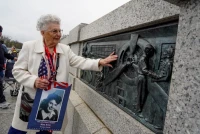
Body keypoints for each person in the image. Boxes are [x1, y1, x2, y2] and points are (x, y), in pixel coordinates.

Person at [8, 14, 118, 134]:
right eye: (54, 31)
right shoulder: (29, 46)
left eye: (60, 30)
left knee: (45, 130)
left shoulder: (64, 49)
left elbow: (80, 61)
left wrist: (100, 62)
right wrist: (34, 81)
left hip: (52, 99)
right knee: (18, 130)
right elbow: (17, 71)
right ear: (43, 32)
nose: (59, 34)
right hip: (31, 98)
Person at [0, 25, 16, 109]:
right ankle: (2, 102)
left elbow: (5, 54)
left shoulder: (1, 45)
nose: (1, 33)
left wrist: (13, 57)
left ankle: (2, 101)